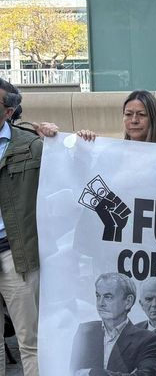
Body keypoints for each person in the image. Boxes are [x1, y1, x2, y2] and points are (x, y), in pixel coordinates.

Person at [0, 79, 41, 375]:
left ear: (9, 111)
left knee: (30, 341)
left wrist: (52, 135)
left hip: (16, 256)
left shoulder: (32, 145)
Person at [70, 273, 156, 375]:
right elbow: (72, 373)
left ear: (128, 301)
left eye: (108, 297)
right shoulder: (85, 331)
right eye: (98, 296)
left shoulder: (149, 340)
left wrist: (92, 373)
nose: (100, 303)